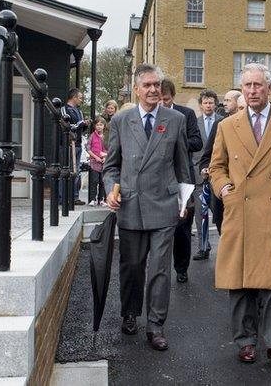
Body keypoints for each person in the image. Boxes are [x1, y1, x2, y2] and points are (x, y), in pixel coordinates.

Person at [208, 63, 271, 372]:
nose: (252, 91)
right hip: (241, 211)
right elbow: (216, 166)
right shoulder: (228, 125)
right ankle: (246, 341)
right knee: (240, 282)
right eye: (247, 86)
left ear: (270, 88)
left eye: (257, 85)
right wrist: (225, 189)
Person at [103, 64, 192, 352]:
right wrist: (110, 191)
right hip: (130, 203)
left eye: (157, 85)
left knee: (159, 269)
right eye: (148, 85)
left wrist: (185, 199)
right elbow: (111, 166)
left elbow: (182, 165)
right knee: (132, 267)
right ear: (137, 89)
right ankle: (130, 313)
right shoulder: (120, 120)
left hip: (164, 205)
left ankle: (156, 325)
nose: (154, 90)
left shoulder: (175, 119)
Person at [160, 79, 203, 283]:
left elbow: (197, 141)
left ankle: (181, 268)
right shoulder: (151, 116)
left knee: (182, 227)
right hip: (158, 178)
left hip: (181, 178)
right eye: (159, 99)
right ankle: (159, 270)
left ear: (173, 97)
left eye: (166, 99)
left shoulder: (186, 114)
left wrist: (177, 139)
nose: (162, 102)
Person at [193, 89, 223, 261]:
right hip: (199, 175)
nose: (208, 105)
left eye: (211, 102)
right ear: (201, 105)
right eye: (205, 102)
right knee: (200, 216)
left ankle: (226, 247)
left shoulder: (223, 122)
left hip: (217, 176)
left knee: (220, 215)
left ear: (215, 104)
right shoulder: (194, 123)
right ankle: (203, 248)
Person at [61, 88, 91, 205]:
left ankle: (74, 197)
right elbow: (65, 125)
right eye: (80, 98)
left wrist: (84, 125)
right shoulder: (65, 109)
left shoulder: (79, 112)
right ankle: (62, 197)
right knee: (66, 170)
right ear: (73, 97)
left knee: (77, 171)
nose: (81, 100)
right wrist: (80, 123)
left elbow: (80, 129)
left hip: (77, 144)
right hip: (67, 144)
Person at [86, 116, 108, 206]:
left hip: (104, 162)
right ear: (95, 126)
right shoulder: (92, 136)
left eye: (101, 125)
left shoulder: (106, 137)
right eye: (97, 125)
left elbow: (109, 148)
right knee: (94, 181)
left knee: (103, 182)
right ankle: (92, 199)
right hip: (94, 162)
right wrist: (95, 157)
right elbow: (88, 148)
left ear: (104, 126)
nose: (99, 126)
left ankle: (101, 199)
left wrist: (105, 157)